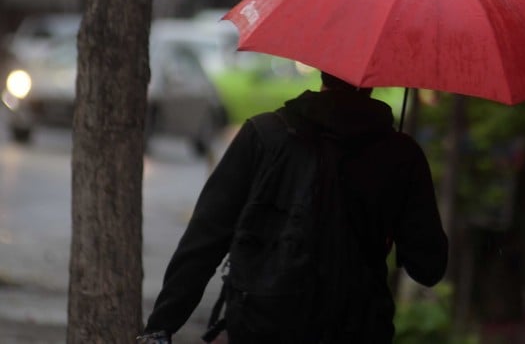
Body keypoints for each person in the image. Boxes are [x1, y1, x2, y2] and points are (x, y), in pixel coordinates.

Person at [137, 72, 448, 343]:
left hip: (263, 323)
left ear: (321, 69)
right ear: (376, 82)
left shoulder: (264, 134)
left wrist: (161, 327)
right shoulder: (401, 155)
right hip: (359, 328)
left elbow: (206, 239)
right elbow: (429, 267)